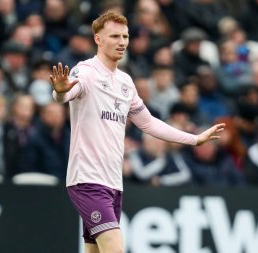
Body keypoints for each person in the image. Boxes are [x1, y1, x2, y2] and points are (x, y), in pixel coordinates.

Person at [49, 11, 225, 253]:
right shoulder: (86, 71)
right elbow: (66, 94)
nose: (122, 42)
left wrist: (194, 139)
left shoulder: (125, 82)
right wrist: (59, 92)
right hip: (88, 180)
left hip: (113, 183)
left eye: (125, 36)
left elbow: (149, 123)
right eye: (114, 36)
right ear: (98, 39)